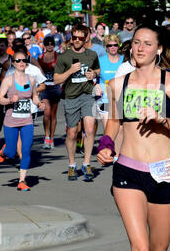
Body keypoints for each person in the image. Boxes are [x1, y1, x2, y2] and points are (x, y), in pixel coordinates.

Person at [97, 24, 170, 251]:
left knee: (158, 250)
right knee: (140, 249)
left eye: (147, 44)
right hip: (128, 171)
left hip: (165, 172)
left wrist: (162, 120)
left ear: (159, 49)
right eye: (136, 42)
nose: (140, 48)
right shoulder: (117, 84)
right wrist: (106, 144)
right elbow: (113, 122)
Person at [54, 24, 101, 181]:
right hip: (71, 97)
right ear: (71, 38)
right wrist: (70, 71)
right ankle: (72, 164)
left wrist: (93, 73)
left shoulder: (92, 54)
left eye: (81, 38)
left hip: (87, 95)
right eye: (74, 37)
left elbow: (98, 70)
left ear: (86, 38)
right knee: (72, 133)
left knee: (89, 129)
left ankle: (86, 163)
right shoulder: (64, 57)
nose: (77, 41)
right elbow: (55, 80)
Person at [0, 47, 45, 191]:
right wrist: (10, 100)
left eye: (24, 60)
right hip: (11, 121)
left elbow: (34, 96)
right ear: (13, 63)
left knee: (26, 150)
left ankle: (22, 180)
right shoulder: (8, 80)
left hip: (26, 121)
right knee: (11, 152)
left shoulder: (31, 79)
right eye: (18, 60)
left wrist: (39, 103)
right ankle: (3, 152)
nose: (21, 63)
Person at [39, 36, 62, 149]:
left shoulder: (58, 57)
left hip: (55, 87)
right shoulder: (40, 57)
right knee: (46, 113)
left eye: (51, 44)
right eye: (47, 44)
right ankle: (46, 136)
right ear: (44, 45)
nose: (49, 46)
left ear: (54, 45)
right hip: (45, 88)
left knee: (53, 114)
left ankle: (52, 138)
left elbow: (63, 70)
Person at [97, 34, 124, 131]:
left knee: (121, 131)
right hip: (105, 100)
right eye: (109, 45)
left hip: (121, 100)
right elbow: (92, 77)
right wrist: (95, 86)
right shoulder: (100, 61)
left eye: (115, 45)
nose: (113, 47)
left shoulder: (124, 60)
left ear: (119, 45)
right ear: (106, 47)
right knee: (109, 131)